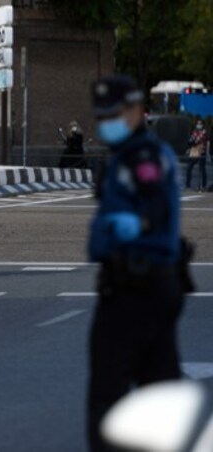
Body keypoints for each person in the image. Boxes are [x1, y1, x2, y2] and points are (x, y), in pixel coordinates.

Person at [86, 75, 188, 452]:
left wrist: (130, 226)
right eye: (101, 115)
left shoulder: (142, 157)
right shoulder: (129, 154)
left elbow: (154, 208)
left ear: (134, 111)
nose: (105, 122)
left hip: (135, 285)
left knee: (109, 399)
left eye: (112, 113)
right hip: (148, 285)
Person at [185, 119, 207, 192]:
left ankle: (203, 185)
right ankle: (187, 185)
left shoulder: (204, 132)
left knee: (202, 170)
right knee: (189, 168)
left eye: (200, 124)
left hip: (201, 152)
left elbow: (197, 140)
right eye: (198, 124)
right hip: (194, 152)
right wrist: (192, 141)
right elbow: (191, 140)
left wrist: (193, 140)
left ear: (203, 125)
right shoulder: (195, 131)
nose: (199, 125)